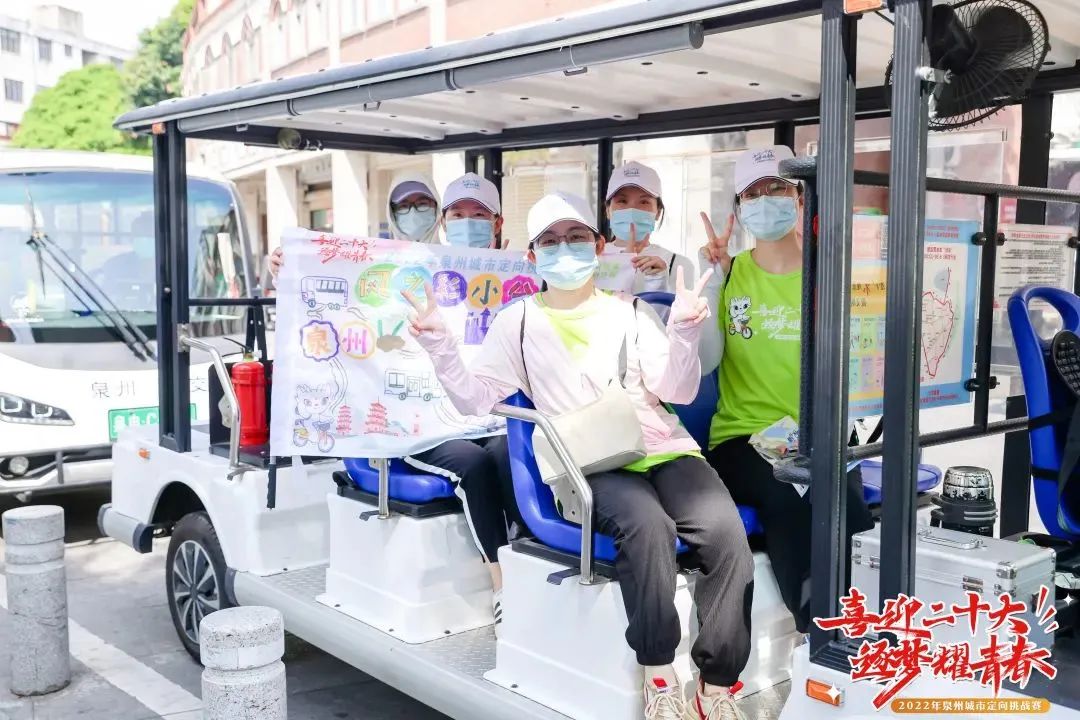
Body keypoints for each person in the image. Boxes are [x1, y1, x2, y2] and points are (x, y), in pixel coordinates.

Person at [404, 190, 753, 720]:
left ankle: (718, 684)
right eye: (550, 241)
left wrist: (684, 332)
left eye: (576, 238)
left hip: (663, 448)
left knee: (725, 532)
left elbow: (678, 391)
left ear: (598, 245)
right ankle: (659, 674)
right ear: (532, 256)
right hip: (588, 459)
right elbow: (476, 400)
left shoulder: (631, 310)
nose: (564, 249)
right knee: (647, 528)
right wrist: (441, 348)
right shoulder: (518, 322)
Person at [270, 172, 521, 635]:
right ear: (444, 222)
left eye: (479, 215)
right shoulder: (395, 268)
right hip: (422, 419)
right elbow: (338, 293)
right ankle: (501, 581)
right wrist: (289, 267)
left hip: (485, 415)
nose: (468, 223)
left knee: (513, 453)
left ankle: (530, 562)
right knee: (473, 465)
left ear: (497, 222)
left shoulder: (506, 271)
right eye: (458, 214)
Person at [698, 145, 874, 635]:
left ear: (800, 198)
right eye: (753, 193)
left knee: (848, 505)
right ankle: (821, 634)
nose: (766, 200)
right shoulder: (730, 273)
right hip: (742, 437)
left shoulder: (830, 274)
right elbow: (704, 361)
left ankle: (869, 628)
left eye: (777, 188)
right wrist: (712, 280)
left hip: (817, 434)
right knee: (789, 494)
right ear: (739, 208)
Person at [604, 161, 695, 294]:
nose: (632, 209)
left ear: (658, 212)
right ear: (607, 210)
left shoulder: (678, 265)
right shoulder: (590, 261)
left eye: (644, 202)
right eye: (622, 201)